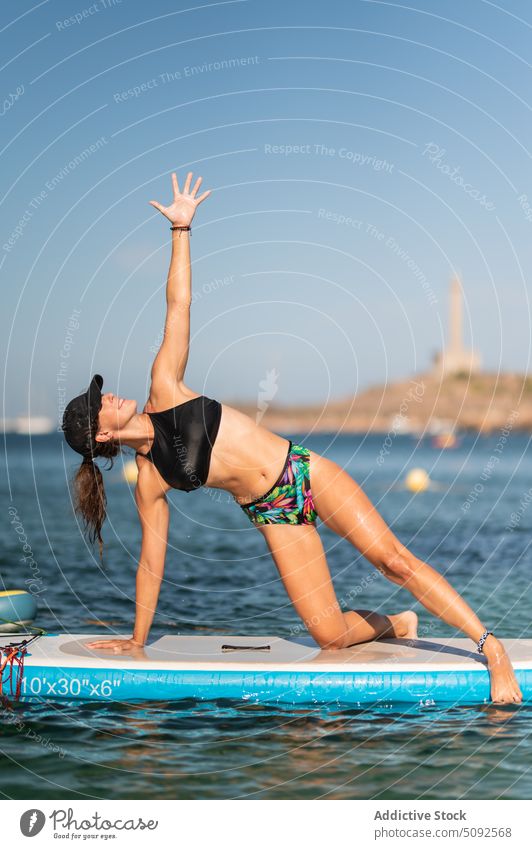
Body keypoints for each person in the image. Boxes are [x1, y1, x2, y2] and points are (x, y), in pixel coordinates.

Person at [62, 172, 522, 705]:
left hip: (300, 472)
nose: (112, 396)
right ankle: (400, 621)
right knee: (328, 636)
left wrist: (181, 231)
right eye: (102, 404)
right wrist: (137, 640)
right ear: (101, 433)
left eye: (105, 393)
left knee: (392, 561)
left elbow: (178, 307)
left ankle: (490, 648)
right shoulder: (151, 481)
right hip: (271, 512)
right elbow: (151, 565)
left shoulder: (164, 387)